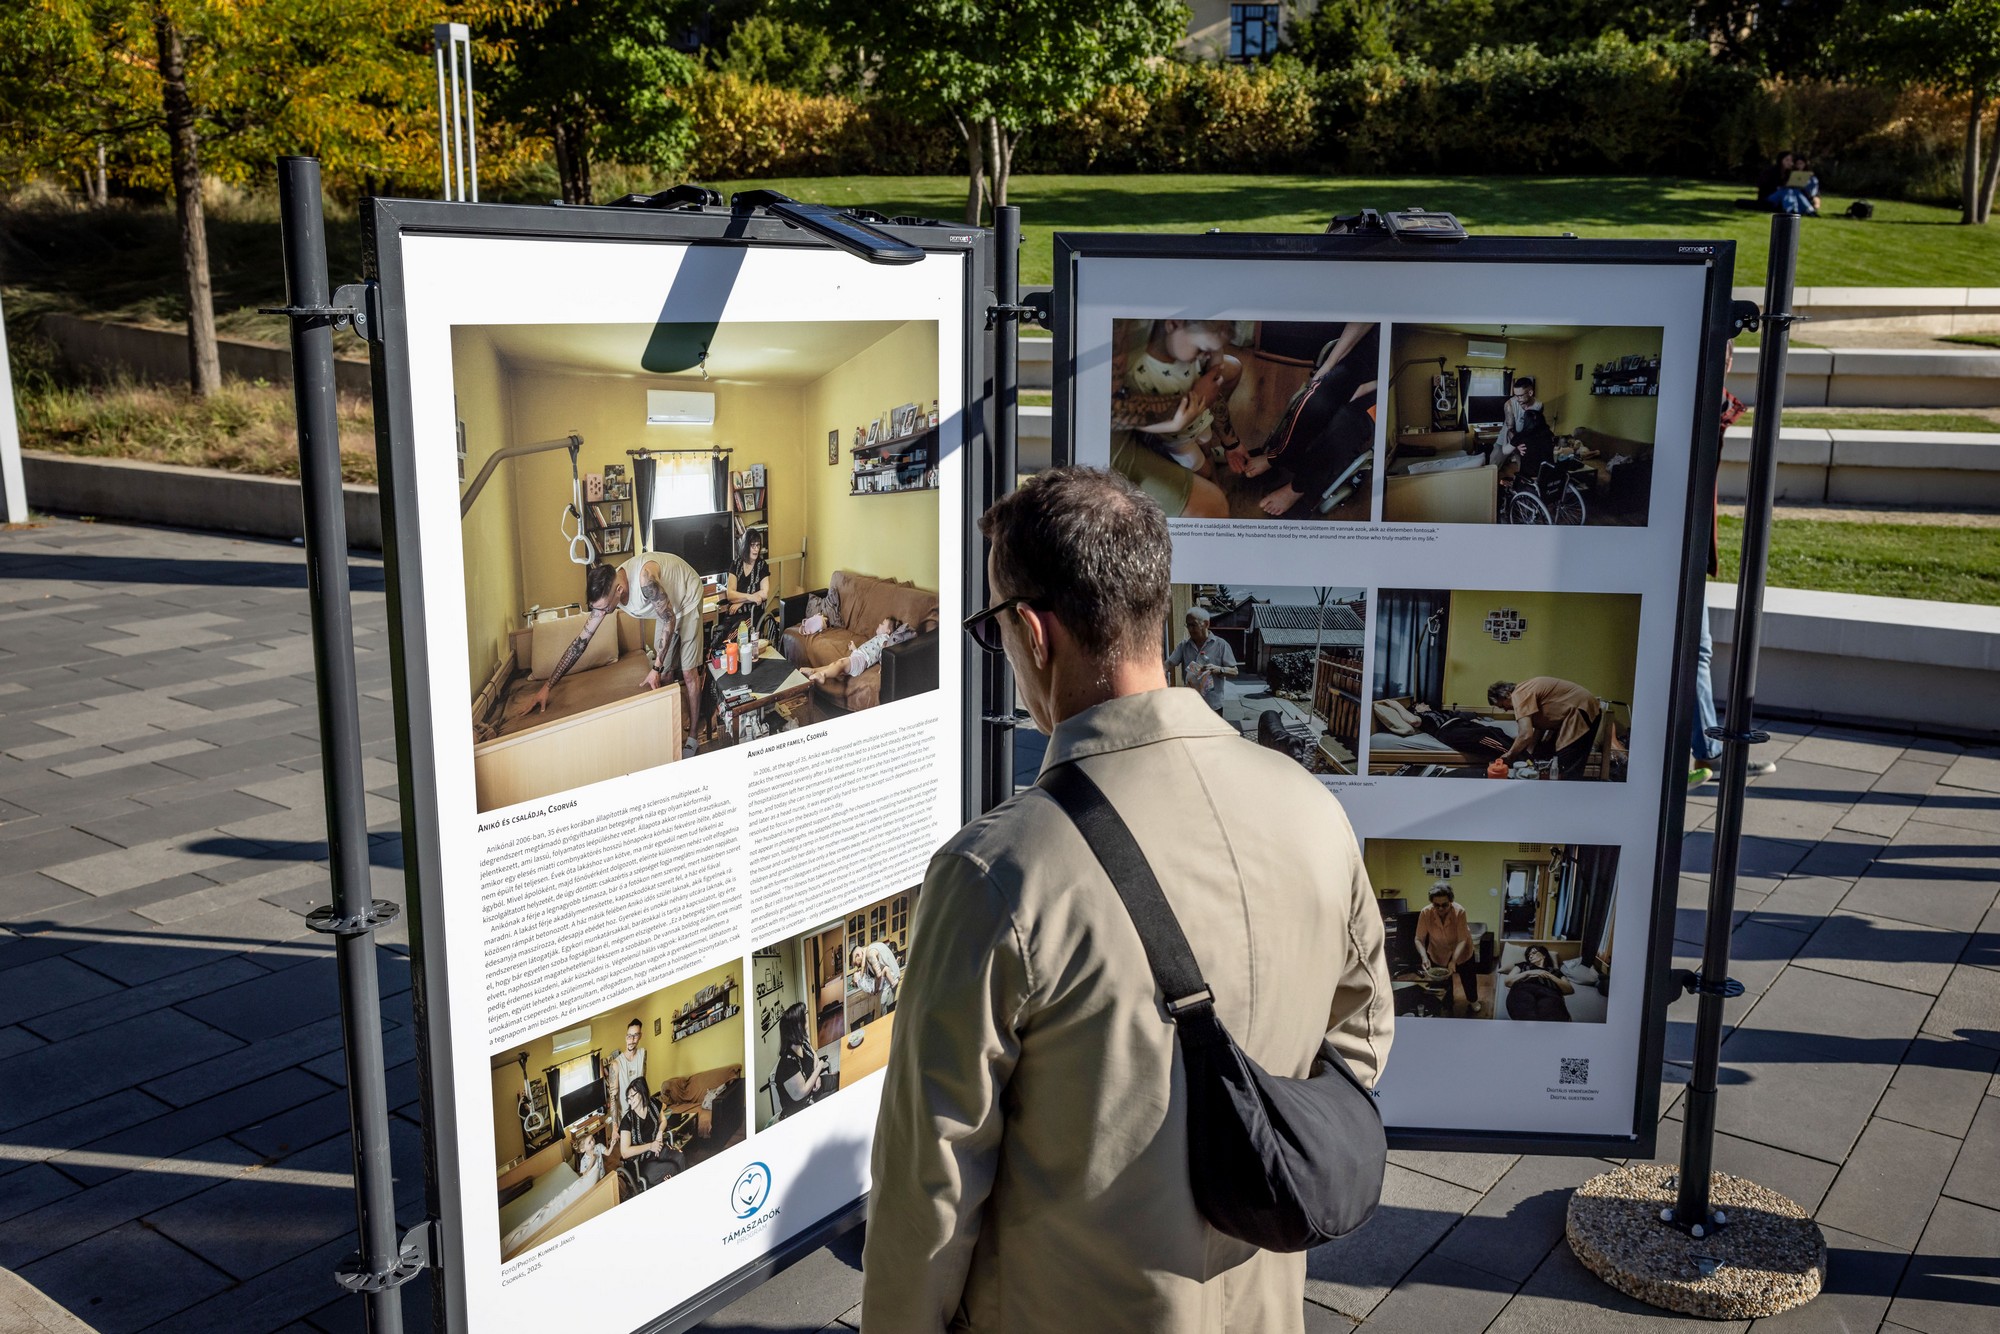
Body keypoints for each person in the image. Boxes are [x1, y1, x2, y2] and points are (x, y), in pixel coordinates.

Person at [863, 466, 1393, 1334]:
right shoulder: (1313, 810)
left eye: (992, 629)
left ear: (1035, 633)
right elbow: (1363, 1037)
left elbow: (931, 1184)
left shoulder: (995, 874)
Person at [1690, 340, 1778, 787]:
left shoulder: (1701, 398)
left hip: (1686, 545)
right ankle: (1706, 752)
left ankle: (1702, 751)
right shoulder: (1696, 398)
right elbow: (1723, 408)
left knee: (1695, 651)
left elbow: (1726, 409)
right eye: (1723, 352)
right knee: (1693, 651)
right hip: (1679, 548)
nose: (1727, 360)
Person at [527, 552, 705, 742]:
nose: (601, 613)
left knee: (688, 672)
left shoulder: (646, 579)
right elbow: (580, 644)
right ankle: (674, 728)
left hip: (686, 598)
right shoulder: (609, 592)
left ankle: (693, 735)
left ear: (619, 590)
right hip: (665, 608)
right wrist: (547, 686)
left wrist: (655, 667)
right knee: (665, 673)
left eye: (604, 608)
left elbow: (669, 619)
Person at [1228, 322, 1380, 517]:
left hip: (1390, 382)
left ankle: (1297, 488)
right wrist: (1328, 366)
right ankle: (1279, 455)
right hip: (1367, 357)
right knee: (1318, 398)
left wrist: (1374, 386)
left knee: (1347, 423)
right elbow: (1362, 322)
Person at [1109, 320, 1237, 518]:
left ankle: (1213, 473)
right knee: (1203, 469)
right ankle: (1209, 478)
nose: (1207, 355)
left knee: (1207, 447)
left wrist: (1213, 351)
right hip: (1178, 439)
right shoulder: (1141, 374)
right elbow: (1135, 421)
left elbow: (1214, 369)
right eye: (1203, 349)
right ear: (1173, 324)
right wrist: (1173, 424)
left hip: (1200, 424)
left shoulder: (1188, 351)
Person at [1488, 676, 1604, 781]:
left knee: (1566, 761)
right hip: (1581, 709)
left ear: (1508, 694)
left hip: (1581, 709)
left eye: (1502, 705)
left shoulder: (1519, 694)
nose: (1505, 710)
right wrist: (1530, 751)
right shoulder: (1526, 690)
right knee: (1549, 753)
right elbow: (1540, 726)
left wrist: (1510, 755)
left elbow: (1525, 734)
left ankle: (1567, 794)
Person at [1414, 885, 1483, 1017]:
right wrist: (1424, 957)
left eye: (1444, 905)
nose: (1440, 908)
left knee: (1468, 978)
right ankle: (1447, 1002)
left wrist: (1453, 960)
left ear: (1451, 902)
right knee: (1442, 982)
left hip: (1462, 951)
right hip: (1438, 951)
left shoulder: (1459, 911)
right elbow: (1418, 938)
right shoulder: (1425, 913)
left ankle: (1473, 1000)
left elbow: (1462, 939)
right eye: (1436, 905)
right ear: (1432, 903)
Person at [617, 1074, 683, 1192]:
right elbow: (625, 1152)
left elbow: (663, 1120)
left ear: (642, 1093)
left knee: (680, 1157)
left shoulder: (653, 1104)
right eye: (628, 1097)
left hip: (657, 1149)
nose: (629, 1100)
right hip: (640, 1163)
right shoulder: (627, 1121)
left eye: (632, 1096)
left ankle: (683, 1188)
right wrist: (650, 1146)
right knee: (671, 1168)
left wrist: (660, 1132)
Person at [1164, 607, 1238, 712]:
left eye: (1193, 625)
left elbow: (1234, 671)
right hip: (1190, 705)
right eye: (1188, 625)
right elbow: (1169, 664)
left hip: (1213, 706)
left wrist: (1218, 669)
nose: (1190, 629)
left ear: (1206, 624)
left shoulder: (1221, 645)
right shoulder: (1184, 646)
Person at [804, 616, 912, 685]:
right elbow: (869, 650)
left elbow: (884, 651)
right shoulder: (879, 638)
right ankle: (814, 671)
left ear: (888, 631)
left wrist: (884, 666)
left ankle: (823, 675)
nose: (879, 624)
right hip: (858, 656)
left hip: (861, 660)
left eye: (882, 624)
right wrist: (854, 649)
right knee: (834, 665)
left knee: (840, 664)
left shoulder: (885, 638)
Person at [772, 1002, 825, 1118]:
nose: (807, 1024)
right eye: (804, 1017)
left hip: (813, 1096)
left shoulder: (803, 1043)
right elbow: (802, 1092)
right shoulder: (787, 1063)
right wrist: (820, 1067)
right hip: (799, 1113)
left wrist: (817, 1077)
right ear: (797, 1027)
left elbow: (815, 1057)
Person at [715, 532, 771, 638]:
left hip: (752, 613)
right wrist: (750, 597)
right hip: (733, 613)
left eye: (758, 545)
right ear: (746, 546)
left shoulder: (762, 566)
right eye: (752, 545)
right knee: (718, 639)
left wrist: (741, 602)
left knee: (730, 638)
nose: (756, 549)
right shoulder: (736, 564)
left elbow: (764, 593)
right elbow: (730, 594)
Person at [1502, 943, 1574, 1022]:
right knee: (1526, 1017)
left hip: (1550, 992)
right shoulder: (1523, 965)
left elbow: (1569, 989)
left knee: (1553, 1016)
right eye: (1529, 955)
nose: (1530, 956)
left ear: (1543, 955)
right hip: (1524, 988)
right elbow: (1507, 981)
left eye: (1534, 953)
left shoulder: (1555, 971)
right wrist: (1530, 972)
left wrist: (1549, 975)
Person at [605, 1018, 646, 1121]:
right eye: (629, 1036)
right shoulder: (615, 1064)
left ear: (640, 1036)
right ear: (626, 1037)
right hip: (626, 1117)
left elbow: (643, 1083)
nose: (632, 1040)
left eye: (635, 1035)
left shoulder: (643, 1054)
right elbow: (613, 1098)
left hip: (642, 1111)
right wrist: (615, 1125)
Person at [850, 939, 903, 1013]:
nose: (857, 966)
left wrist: (876, 989)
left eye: (855, 963)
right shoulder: (871, 948)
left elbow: (878, 975)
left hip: (889, 986)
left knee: (886, 1013)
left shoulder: (869, 953)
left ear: (857, 955)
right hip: (893, 979)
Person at [1765, 151, 1820, 216]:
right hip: (1772, 197)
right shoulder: (1773, 172)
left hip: (1790, 196)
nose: (1789, 163)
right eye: (1787, 160)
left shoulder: (1791, 173)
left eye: (1790, 161)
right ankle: (1804, 210)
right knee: (1788, 190)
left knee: (1794, 191)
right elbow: (1768, 187)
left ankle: (1802, 210)